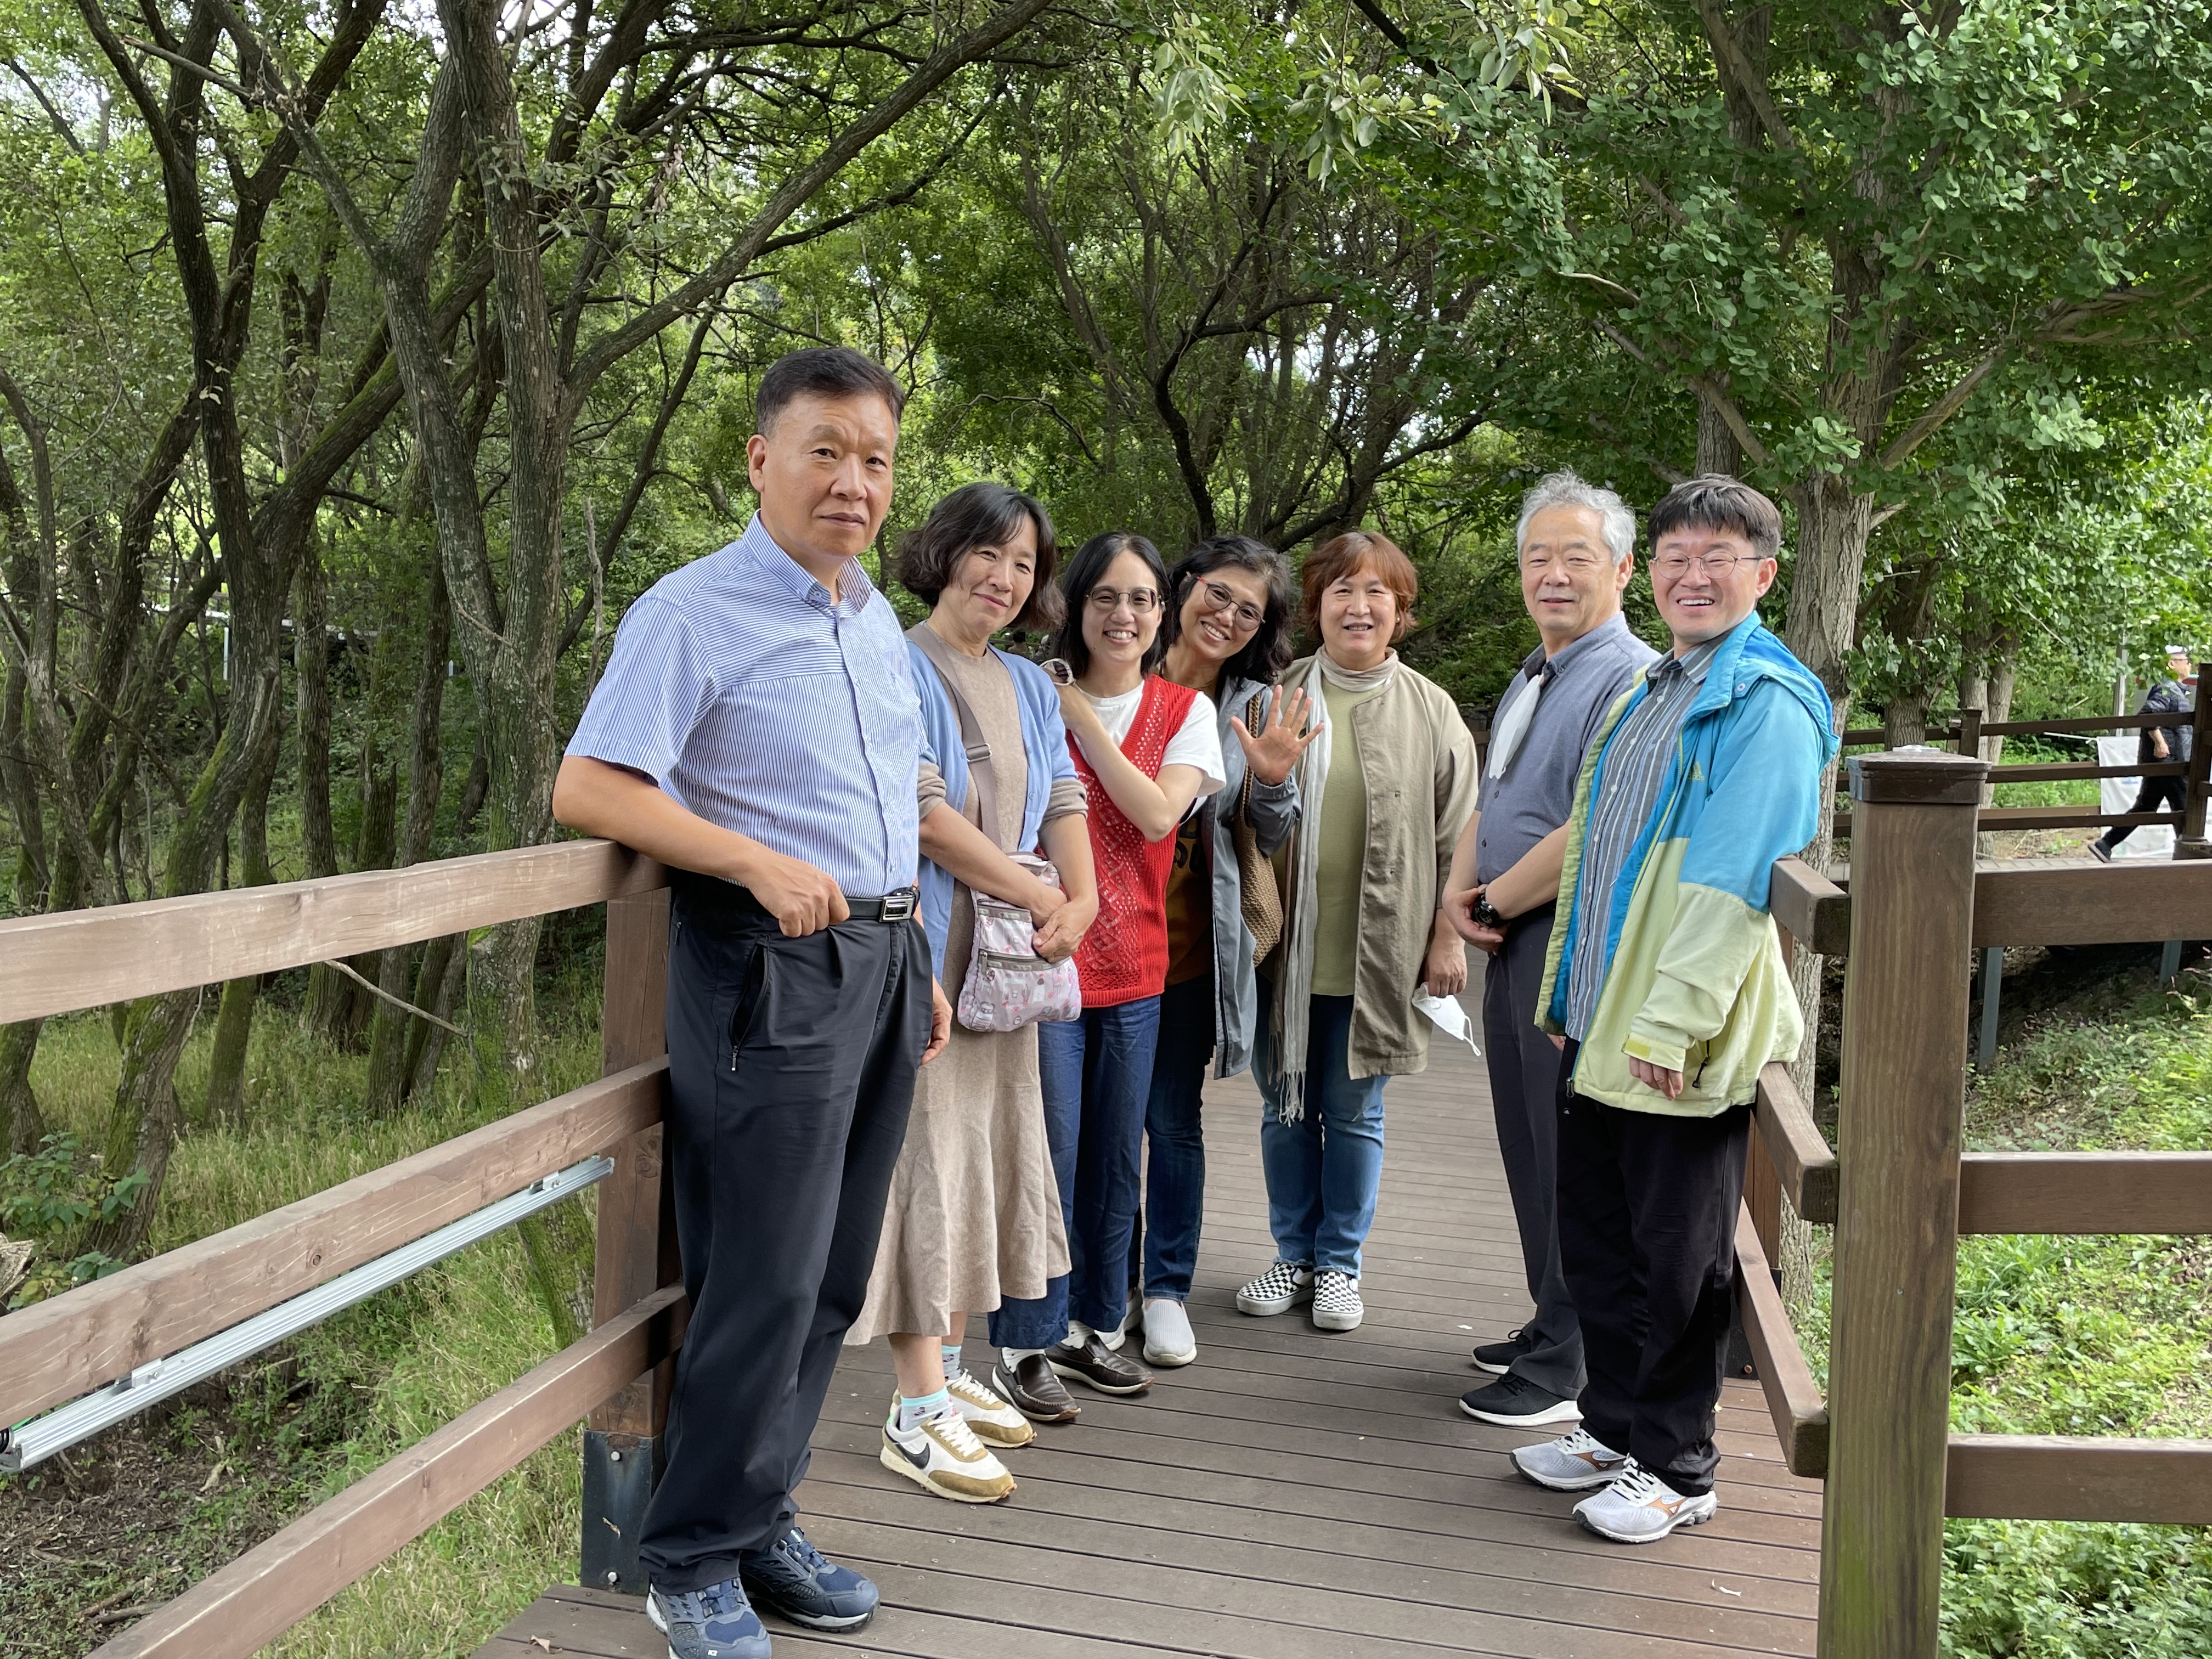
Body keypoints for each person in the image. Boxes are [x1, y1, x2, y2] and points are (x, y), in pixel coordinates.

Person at [552, 347, 963, 1659]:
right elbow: (591, 788)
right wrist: (744, 858)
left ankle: (756, 1515)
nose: (854, 482)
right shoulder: (693, 611)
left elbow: (888, 805)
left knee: (834, 1275)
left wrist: (916, 953)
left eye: (876, 459)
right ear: (762, 460)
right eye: (825, 451)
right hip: (768, 970)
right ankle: (686, 1560)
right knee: (762, 1278)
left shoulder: (870, 622)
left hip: (881, 962)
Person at [1511, 475, 1835, 1546]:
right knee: (1600, 1239)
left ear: (1763, 574)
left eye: (1718, 557)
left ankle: (1679, 1464)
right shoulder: (1656, 685)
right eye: (1675, 557)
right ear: (1649, 571)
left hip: (1672, 1033)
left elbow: (1732, 880)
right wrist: (1569, 991)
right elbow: (1603, 857)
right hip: (1603, 1013)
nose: (1692, 576)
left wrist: (1671, 1022)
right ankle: (1614, 1426)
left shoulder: (1765, 701)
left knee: (1678, 1258)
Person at [844, 483, 1101, 1503]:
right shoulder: (896, 661)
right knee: (924, 1164)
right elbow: (919, 811)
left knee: (982, 1156)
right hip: (930, 949)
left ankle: (950, 1370)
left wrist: (1082, 898)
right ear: (945, 553)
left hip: (1010, 963)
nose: (1004, 577)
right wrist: (1039, 892)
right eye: (988, 553)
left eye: (1024, 563)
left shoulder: (1029, 682)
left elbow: (1065, 796)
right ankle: (915, 1412)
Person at [986, 532, 1226, 1417]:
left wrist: (1080, 716)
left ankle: (1094, 1328)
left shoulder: (1184, 711)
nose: (1123, 615)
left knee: (1116, 1158)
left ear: (1164, 614)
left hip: (1137, 967)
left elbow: (1158, 814)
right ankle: (1025, 1343)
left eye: (1142, 600)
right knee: (1047, 1154)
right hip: (1042, 958)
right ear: (1076, 604)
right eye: (1105, 597)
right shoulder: (1025, 692)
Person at [1443, 472, 1657, 1431]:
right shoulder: (1537, 672)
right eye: (1538, 558)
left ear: (1622, 568)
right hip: (1509, 928)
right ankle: (1548, 1317)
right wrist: (1459, 887)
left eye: (1577, 556)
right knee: (1526, 1140)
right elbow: (1493, 795)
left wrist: (1493, 896)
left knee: (1569, 1149)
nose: (1554, 574)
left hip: (1566, 938)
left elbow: (1595, 823)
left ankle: (1570, 1357)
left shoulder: (1629, 678)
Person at [1237, 531, 1479, 1335]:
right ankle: (1293, 1255)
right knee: (1283, 1110)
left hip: (1379, 951)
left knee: (1353, 1113)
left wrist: (1448, 937)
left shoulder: (1430, 710)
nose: (1359, 606)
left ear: (1401, 612)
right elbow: (1245, 823)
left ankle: (1339, 1264)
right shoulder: (1278, 696)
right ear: (1318, 606)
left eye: (1378, 592)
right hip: (1284, 953)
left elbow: (1460, 836)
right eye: (1342, 589)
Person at [1133, 535, 1312, 1368]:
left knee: (1171, 1120)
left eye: (1251, 611)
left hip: (1188, 945)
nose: (1229, 617)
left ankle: (1165, 1288)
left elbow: (1270, 834)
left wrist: (1270, 779)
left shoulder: (1253, 705)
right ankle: (1099, 1283)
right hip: (1094, 941)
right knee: (1095, 1122)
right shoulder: (1117, 666)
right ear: (1184, 585)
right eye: (1219, 594)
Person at [2092, 645, 2197, 860]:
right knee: (2184, 807)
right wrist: (2160, 743)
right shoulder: (2167, 688)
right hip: (2169, 762)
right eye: (2186, 661)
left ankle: (2106, 844)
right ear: (2172, 664)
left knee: (2146, 807)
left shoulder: (2175, 689)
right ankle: (2188, 855)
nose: (2190, 665)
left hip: (2167, 762)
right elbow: (2148, 714)